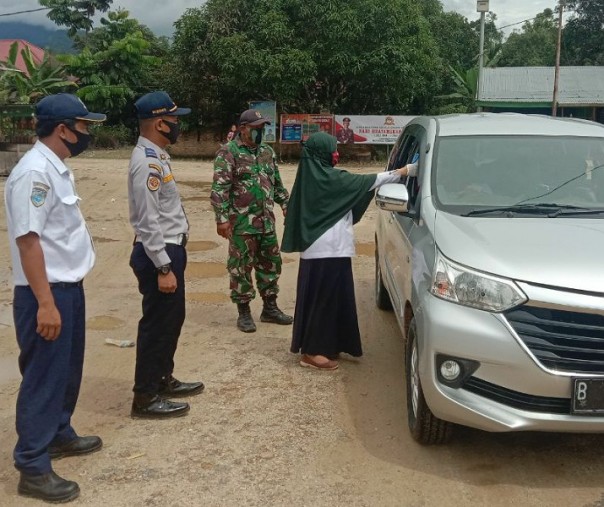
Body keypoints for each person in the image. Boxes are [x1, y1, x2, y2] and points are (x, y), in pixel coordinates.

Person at [4, 93, 106, 503]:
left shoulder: (55, 168)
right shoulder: (34, 174)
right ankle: (32, 465)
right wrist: (46, 304)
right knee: (44, 378)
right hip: (45, 293)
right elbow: (29, 243)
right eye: (83, 126)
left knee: (65, 370)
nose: (87, 134)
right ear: (62, 129)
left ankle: (59, 433)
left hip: (67, 288)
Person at [281, 132, 413, 370]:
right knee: (322, 302)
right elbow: (365, 182)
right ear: (323, 153)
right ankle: (311, 352)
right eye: (333, 149)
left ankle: (329, 344)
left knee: (333, 300)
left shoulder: (314, 176)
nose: (337, 154)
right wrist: (401, 172)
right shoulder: (327, 178)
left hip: (332, 250)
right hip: (324, 252)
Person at [128, 91, 204, 419]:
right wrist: (163, 266)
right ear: (160, 122)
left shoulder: (157, 155)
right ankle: (145, 397)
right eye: (174, 121)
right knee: (157, 325)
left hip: (170, 248)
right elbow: (146, 221)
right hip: (160, 253)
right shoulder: (146, 162)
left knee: (171, 321)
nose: (177, 126)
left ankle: (162, 379)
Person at [211, 109, 293, 333]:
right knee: (240, 267)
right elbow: (220, 189)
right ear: (243, 128)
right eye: (256, 128)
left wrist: (286, 204)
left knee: (271, 264)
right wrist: (222, 219)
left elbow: (276, 184)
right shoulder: (228, 152)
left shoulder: (267, 152)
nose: (260, 132)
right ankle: (244, 312)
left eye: (263, 128)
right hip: (242, 224)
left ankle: (270, 308)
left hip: (266, 222)